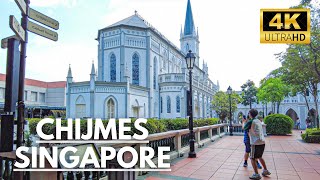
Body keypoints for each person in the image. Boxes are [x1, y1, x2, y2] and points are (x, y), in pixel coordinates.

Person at [246, 109, 271, 179]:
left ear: (250, 114)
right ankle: (265, 170)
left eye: (249, 113)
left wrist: (244, 122)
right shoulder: (258, 121)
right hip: (262, 141)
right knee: (260, 156)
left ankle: (256, 174)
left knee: (252, 158)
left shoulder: (251, 121)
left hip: (255, 142)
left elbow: (244, 127)